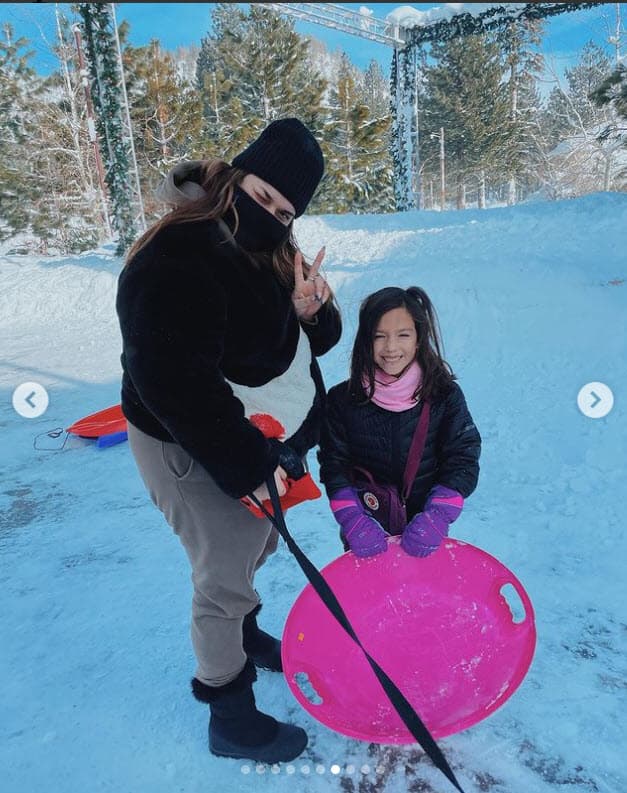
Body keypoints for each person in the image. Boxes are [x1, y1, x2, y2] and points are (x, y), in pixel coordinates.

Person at [115, 119, 341, 764]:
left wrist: (310, 312)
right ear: (235, 176)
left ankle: (245, 634)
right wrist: (246, 465)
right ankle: (230, 713)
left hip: (252, 432)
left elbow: (305, 344)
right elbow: (170, 376)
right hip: (188, 439)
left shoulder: (266, 251)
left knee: (258, 542)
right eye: (264, 196)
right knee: (224, 573)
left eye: (286, 211)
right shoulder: (177, 254)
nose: (272, 216)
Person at [318, 286, 480, 558]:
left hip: (424, 534)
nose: (391, 347)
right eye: (379, 336)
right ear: (365, 341)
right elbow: (334, 464)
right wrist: (352, 520)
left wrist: (437, 516)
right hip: (365, 533)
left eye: (403, 335)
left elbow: (462, 456)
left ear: (418, 338)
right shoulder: (341, 401)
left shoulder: (444, 395)